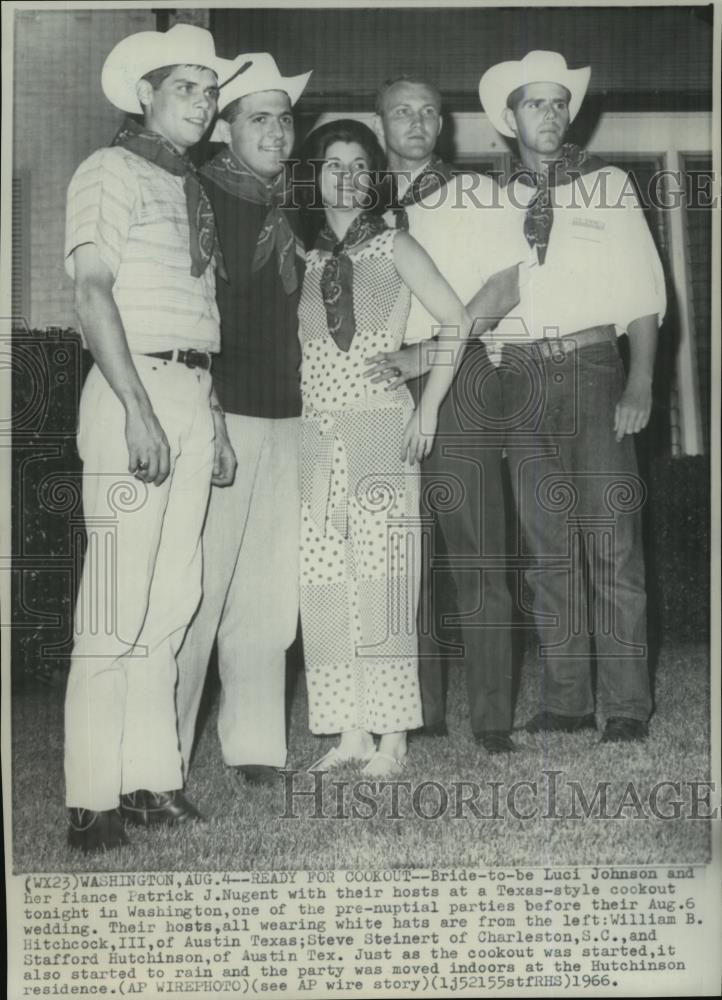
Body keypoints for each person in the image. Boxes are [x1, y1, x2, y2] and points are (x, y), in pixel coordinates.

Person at [63, 24, 242, 852]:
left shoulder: (188, 186)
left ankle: (151, 783)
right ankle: (92, 797)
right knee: (115, 600)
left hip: (189, 393)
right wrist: (137, 407)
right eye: (187, 91)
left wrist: (205, 415)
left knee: (171, 602)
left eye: (210, 93)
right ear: (145, 95)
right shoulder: (110, 170)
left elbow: (194, 320)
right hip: (132, 393)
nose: (204, 106)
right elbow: (94, 292)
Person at [478, 51, 666, 741]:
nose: (551, 114)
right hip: (519, 377)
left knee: (613, 545)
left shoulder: (609, 184)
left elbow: (644, 295)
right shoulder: (489, 198)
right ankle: (565, 700)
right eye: (536, 103)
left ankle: (624, 706)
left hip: (593, 369)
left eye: (560, 103)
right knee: (546, 549)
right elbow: (482, 294)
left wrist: (641, 381)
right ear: (511, 118)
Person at [298, 119, 474, 778]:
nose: (345, 176)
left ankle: (394, 737)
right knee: (323, 585)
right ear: (312, 177)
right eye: (331, 164)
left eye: (358, 164)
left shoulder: (396, 246)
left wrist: (420, 385)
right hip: (316, 437)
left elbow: (458, 323)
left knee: (385, 583)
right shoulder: (305, 258)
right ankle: (348, 733)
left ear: (374, 178)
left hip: (379, 426)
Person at [366, 76, 521, 753]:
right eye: (402, 110)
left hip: (458, 379)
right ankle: (419, 709)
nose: (418, 121)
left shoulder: (477, 193)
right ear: (379, 125)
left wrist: (429, 350)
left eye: (430, 111)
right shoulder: (359, 202)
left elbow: (507, 283)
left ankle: (490, 719)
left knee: (477, 553)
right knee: (403, 555)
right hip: (376, 390)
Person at [175, 54, 312, 786]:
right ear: (226, 127)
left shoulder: (292, 206)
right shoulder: (197, 196)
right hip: (225, 417)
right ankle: (160, 756)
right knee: (198, 592)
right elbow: (190, 318)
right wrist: (212, 413)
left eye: (284, 118)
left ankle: (256, 747)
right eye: (259, 117)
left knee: (268, 595)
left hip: (290, 420)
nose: (278, 130)